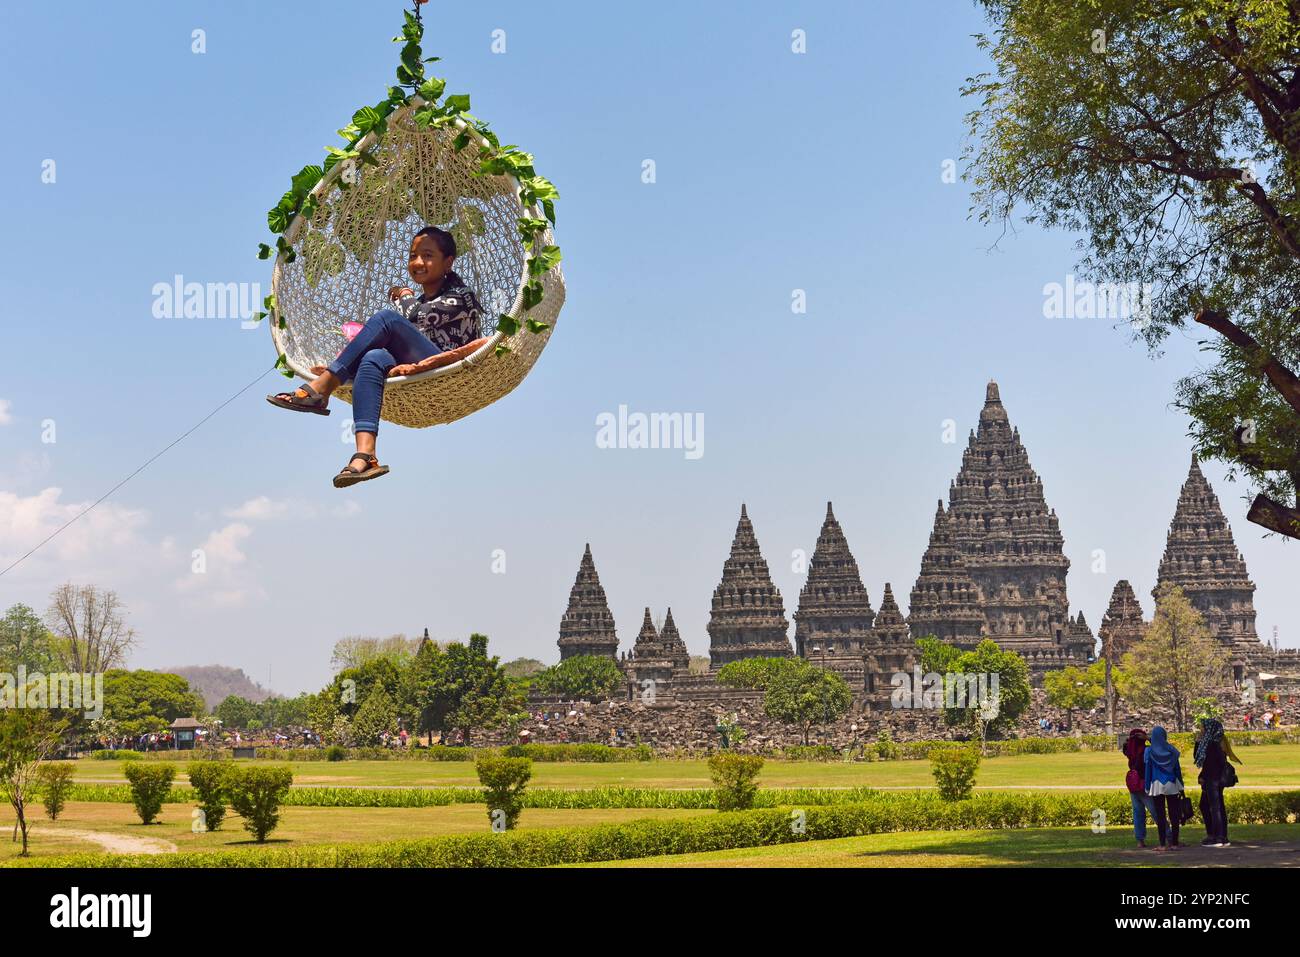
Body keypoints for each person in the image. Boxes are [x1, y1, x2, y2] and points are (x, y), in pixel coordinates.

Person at [267, 226, 484, 486]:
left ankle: (321, 388)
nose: (417, 262)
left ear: (448, 262)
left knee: (385, 319)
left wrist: (403, 295)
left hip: (449, 373)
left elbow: (419, 315)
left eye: (427, 255)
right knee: (374, 357)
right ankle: (365, 455)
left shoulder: (462, 296)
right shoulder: (419, 302)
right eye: (413, 255)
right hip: (419, 367)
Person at [1194, 716, 1242, 848]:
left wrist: (1203, 776)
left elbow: (1209, 764)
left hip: (1212, 779)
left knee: (1215, 807)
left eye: (1203, 727)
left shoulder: (1212, 744)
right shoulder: (1214, 741)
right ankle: (1216, 835)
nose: (1201, 730)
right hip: (1214, 778)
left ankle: (1218, 837)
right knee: (1209, 805)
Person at [1143, 725, 1184, 851]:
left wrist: (1147, 785)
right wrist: (1181, 786)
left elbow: (1148, 769)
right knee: (1174, 814)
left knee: (1160, 816)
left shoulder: (1149, 751)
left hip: (1156, 785)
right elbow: (1177, 769)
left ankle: (1162, 844)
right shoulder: (1171, 750)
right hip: (1171, 783)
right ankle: (1175, 843)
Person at [1122, 728, 1156, 848]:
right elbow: (1160, 748)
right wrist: (1148, 739)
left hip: (1133, 784)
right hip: (1144, 783)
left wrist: (1129, 740)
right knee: (1155, 811)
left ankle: (1140, 840)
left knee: (1138, 813)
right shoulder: (1146, 750)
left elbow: (1125, 747)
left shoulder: (1130, 751)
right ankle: (1168, 836)